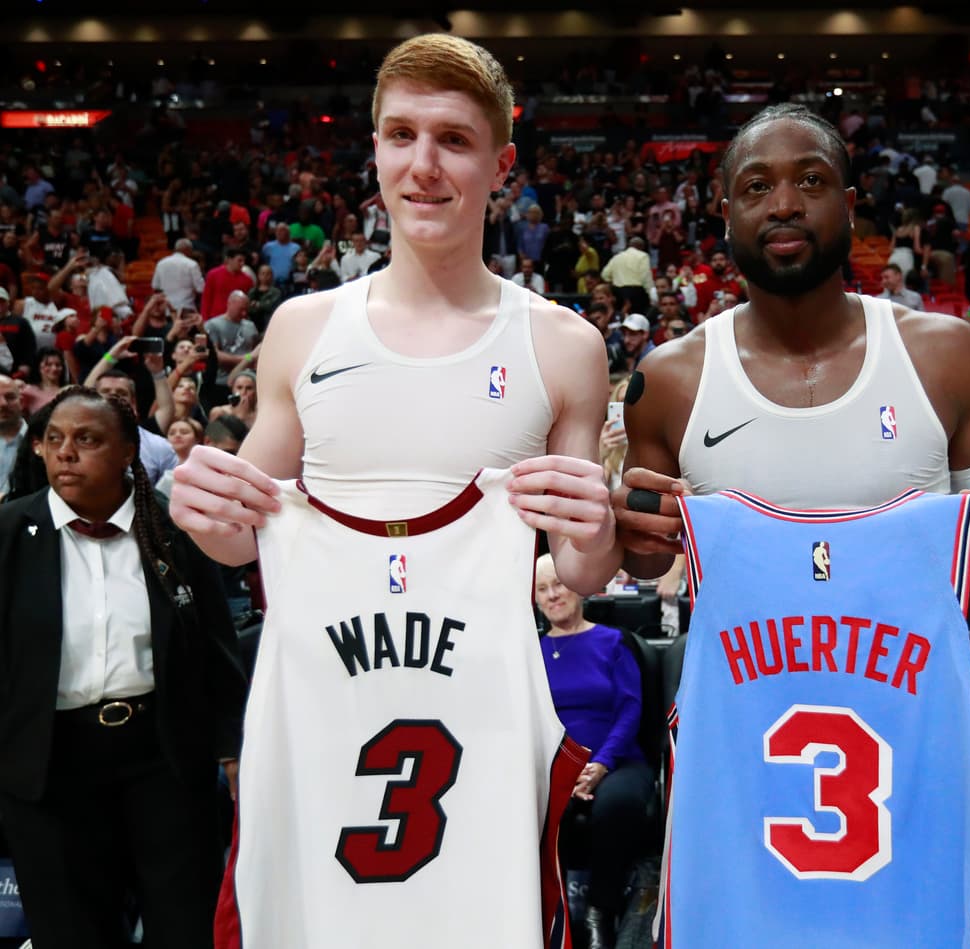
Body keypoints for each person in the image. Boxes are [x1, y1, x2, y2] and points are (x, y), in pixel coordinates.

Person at [168, 34, 618, 949]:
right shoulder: (303, 329)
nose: (423, 166)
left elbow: (587, 569)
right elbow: (246, 531)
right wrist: (202, 510)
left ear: (503, 166)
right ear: (372, 149)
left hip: (476, 739)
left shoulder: (563, 345)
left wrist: (595, 528)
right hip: (320, 726)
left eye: (454, 140)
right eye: (400, 135)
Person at [610, 102, 970, 946]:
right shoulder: (668, 380)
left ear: (851, 203)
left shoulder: (947, 354)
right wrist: (632, 542)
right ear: (725, 213)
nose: (783, 203)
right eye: (757, 186)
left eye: (810, 180)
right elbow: (639, 558)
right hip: (739, 775)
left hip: (910, 765)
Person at [0, 386, 246, 949]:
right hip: (49, 767)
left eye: (86, 440)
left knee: (183, 924)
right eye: (54, 440)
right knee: (71, 930)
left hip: (162, 759)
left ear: (128, 451)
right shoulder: (11, 534)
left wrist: (230, 750)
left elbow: (217, 646)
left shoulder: (173, 530)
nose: (66, 453)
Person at [533, 553, 653, 949]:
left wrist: (600, 762)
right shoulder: (529, 655)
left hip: (616, 759)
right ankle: (553, 916)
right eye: (542, 589)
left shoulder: (613, 642)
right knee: (538, 806)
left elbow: (630, 708)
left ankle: (601, 913)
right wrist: (561, 770)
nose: (553, 595)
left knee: (616, 805)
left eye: (559, 584)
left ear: (579, 586)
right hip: (555, 763)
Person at [151, 238, 205, 315]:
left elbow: (155, 286)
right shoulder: (192, 264)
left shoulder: (161, 263)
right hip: (186, 308)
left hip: (166, 309)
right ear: (188, 250)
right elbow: (201, 288)